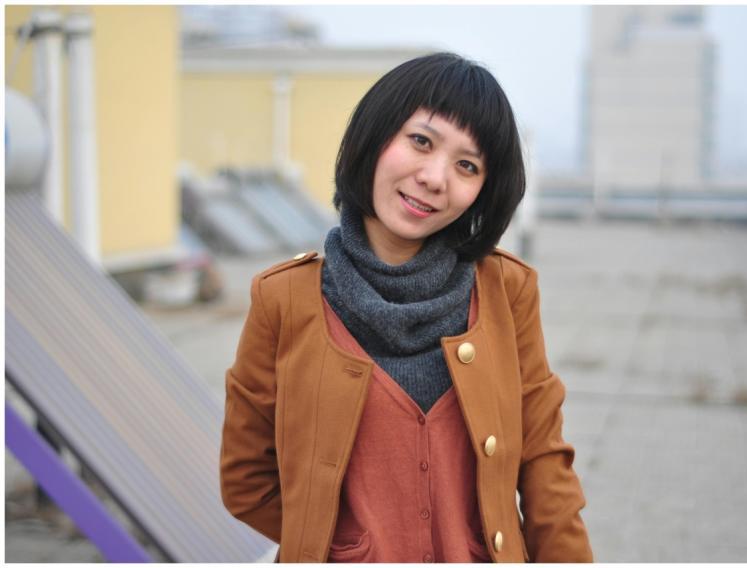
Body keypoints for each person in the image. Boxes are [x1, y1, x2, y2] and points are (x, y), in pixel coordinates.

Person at [220, 52, 592, 563]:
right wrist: (345, 545)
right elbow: (246, 479)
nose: (435, 178)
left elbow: (546, 466)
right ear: (374, 138)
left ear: (483, 190)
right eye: (421, 141)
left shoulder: (508, 291)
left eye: (467, 165)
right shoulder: (283, 298)